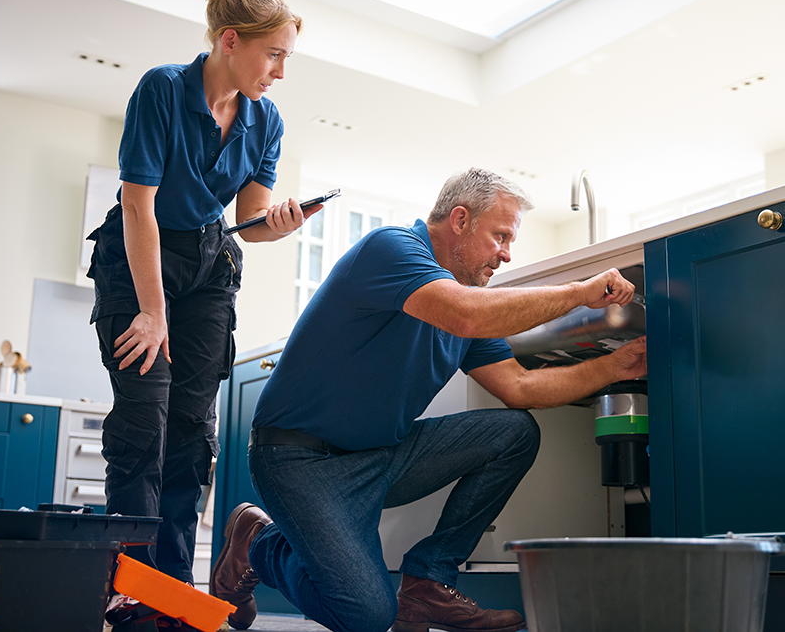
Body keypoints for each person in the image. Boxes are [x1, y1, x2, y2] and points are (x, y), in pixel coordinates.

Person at [209, 168, 648, 632]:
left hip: (380, 458)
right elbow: (463, 315)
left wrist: (614, 367)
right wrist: (579, 294)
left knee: (513, 432)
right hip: (297, 459)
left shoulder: (468, 300)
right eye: (500, 235)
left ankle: (427, 583)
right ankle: (259, 541)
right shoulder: (391, 249)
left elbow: (520, 387)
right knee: (367, 615)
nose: (506, 253)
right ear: (459, 220)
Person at [86, 0, 316, 587]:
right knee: (143, 421)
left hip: (210, 267)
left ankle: (172, 591)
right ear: (230, 41)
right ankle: (127, 589)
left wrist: (284, 223)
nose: (280, 71)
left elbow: (249, 222)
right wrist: (151, 310)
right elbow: (139, 206)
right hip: (137, 260)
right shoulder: (161, 91)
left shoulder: (265, 120)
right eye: (274, 54)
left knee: (192, 433)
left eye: (286, 57)